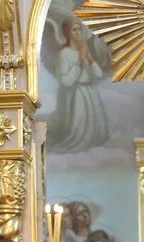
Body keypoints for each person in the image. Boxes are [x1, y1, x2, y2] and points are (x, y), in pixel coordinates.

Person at [47, 18, 110, 153]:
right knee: (79, 132)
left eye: (79, 29)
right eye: (74, 30)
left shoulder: (84, 50)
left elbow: (98, 75)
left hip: (89, 93)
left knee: (96, 134)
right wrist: (80, 61)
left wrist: (89, 58)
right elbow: (66, 81)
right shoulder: (64, 54)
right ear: (67, 33)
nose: (77, 33)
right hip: (76, 95)